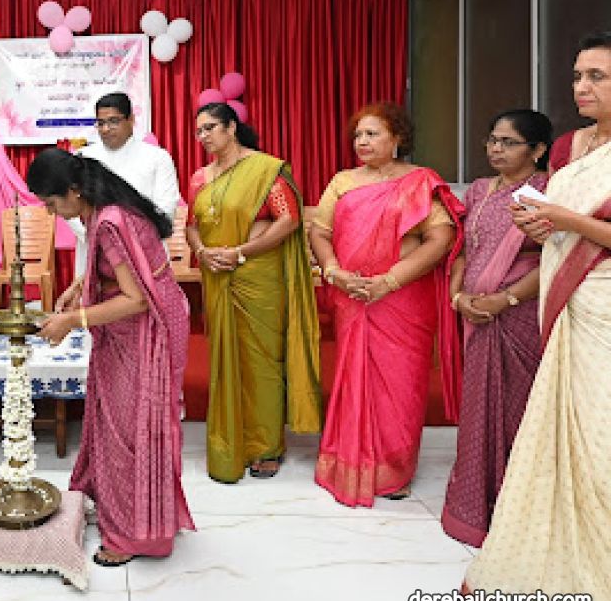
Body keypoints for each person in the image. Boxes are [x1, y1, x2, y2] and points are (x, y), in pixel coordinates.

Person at [461, 35, 611, 601]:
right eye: (577, 76)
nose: (582, 87)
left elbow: (584, 223)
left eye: (597, 76)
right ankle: (554, 553)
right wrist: (545, 227)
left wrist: (563, 218)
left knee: (599, 441)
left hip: (604, 303)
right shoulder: (572, 146)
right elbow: (566, 228)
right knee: (557, 433)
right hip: (566, 301)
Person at [30, 148, 194, 567]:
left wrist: (74, 319)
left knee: (132, 430)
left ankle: (135, 534)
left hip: (147, 329)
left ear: (73, 190)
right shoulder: (100, 209)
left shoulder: (109, 223)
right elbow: (118, 272)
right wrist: (80, 287)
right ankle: (141, 513)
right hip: (138, 323)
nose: (51, 213)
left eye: (51, 203)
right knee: (117, 420)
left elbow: (137, 298)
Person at [309, 102, 462, 507]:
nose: (362, 141)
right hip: (352, 295)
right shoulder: (342, 182)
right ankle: (347, 463)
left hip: (402, 299)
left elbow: (441, 238)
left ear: (397, 138)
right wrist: (334, 271)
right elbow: (319, 232)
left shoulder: (420, 181)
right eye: (358, 135)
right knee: (353, 378)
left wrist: (389, 281)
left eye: (372, 133)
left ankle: (394, 470)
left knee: (400, 385)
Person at [185, 102, 321, 483]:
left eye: (210, 127)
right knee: (225, 360)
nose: (203, 136)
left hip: (257, 277)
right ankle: (231, 439)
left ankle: (265, 447)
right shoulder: (200, 178)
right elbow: (192, 225)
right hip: (217, 275)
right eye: (199, 130)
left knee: (261, 363)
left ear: (231, 127)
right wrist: (201, 251)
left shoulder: (265, 170)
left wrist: (241, 252)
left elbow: (288, 219)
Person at [441, 110, 551, 548]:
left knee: (517, 411)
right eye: (492, 140)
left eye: (508, 142)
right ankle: (474, 506)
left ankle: (517, 511)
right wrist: (458, 297)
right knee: (479, 411)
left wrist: (505, 300)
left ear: (538, 150)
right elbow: (463, 251)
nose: (495, 149)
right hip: (476, 315)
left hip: (521, 317)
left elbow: (555, 259)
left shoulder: (548, 192)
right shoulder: (479, 190)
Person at [58, 92, 181, 311]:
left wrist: (125, 240)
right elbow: (70, 207)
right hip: (94, 255)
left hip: (145, 255)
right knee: (97, 320)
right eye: (101, 123)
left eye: (113, 121)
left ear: (131, 119)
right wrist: (99, 236)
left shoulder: (157, 158)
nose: (106, 129)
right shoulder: (83, 158)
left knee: (147, 320)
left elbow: (166, 208)